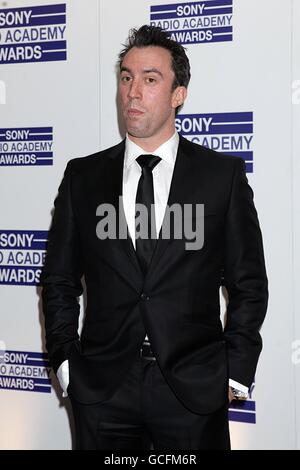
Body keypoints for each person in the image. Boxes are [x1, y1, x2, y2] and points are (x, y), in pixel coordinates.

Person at [41, 25, 268, 450]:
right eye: (126, 77)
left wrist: (235, 372)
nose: (132, 92)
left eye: (150, 79)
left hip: (192, 391)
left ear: (178, 94)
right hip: (103, 389)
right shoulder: (82, 178)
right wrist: (66, 362)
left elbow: (249, 284)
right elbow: (59, 280)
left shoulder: (222, 177)